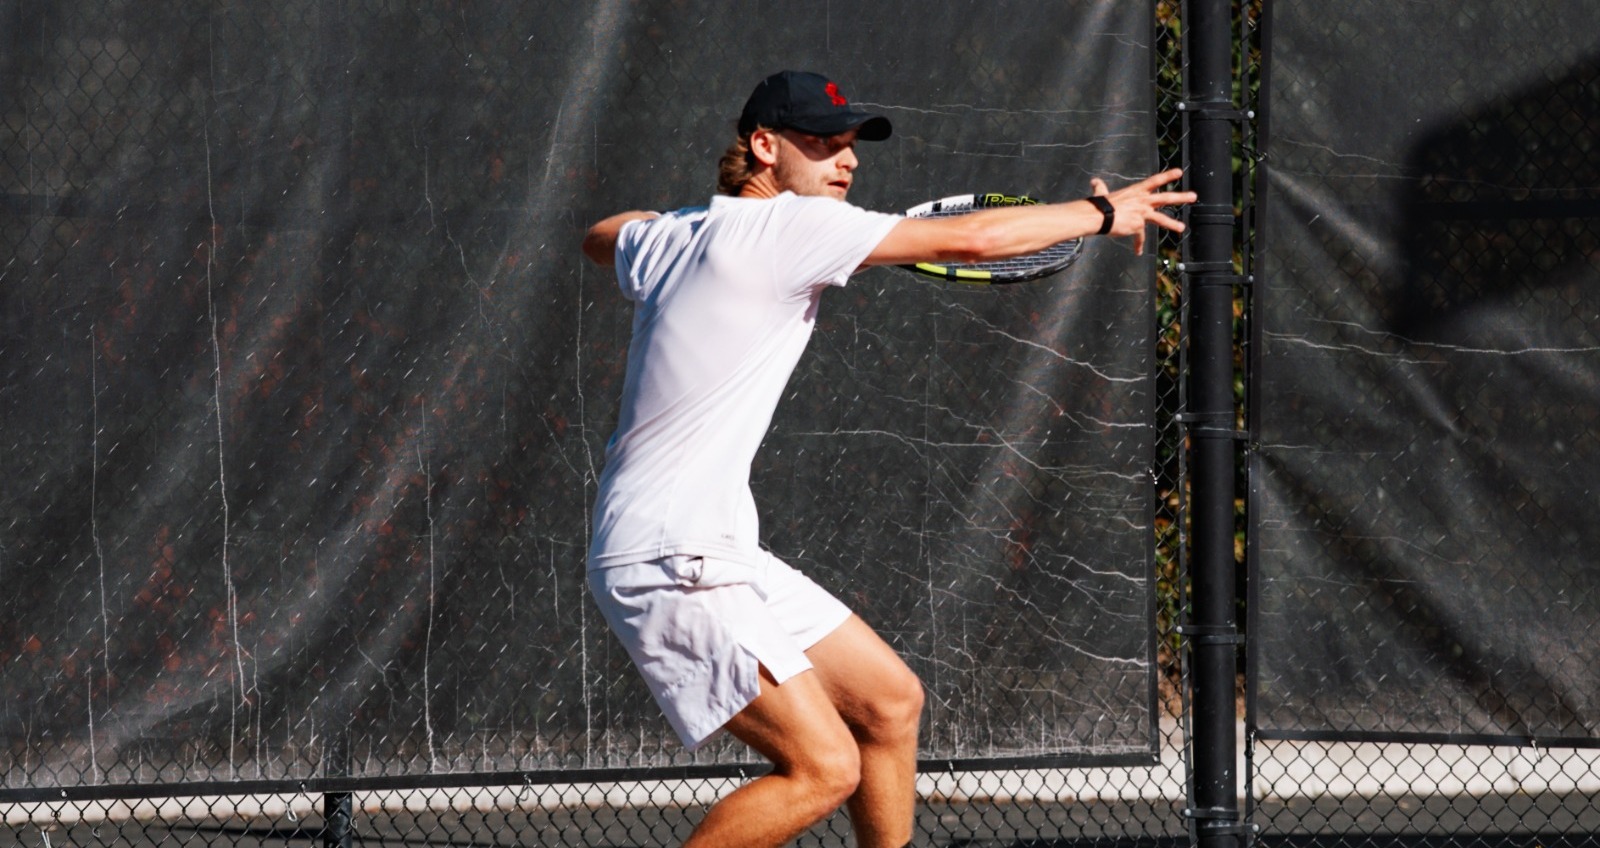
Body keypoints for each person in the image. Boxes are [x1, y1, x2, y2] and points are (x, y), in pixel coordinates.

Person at [580, 70, 1194, 848]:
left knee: (889, 703)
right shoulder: (791, 228)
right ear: (764, 149)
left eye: (849, 144)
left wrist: (673, 220)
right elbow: (974, 237)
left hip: (710, 545)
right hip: (672, 555)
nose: (846, 159)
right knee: (823, 768)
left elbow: (601, 235)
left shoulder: (677, 236)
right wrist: (1104, 213)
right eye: (821, 142)